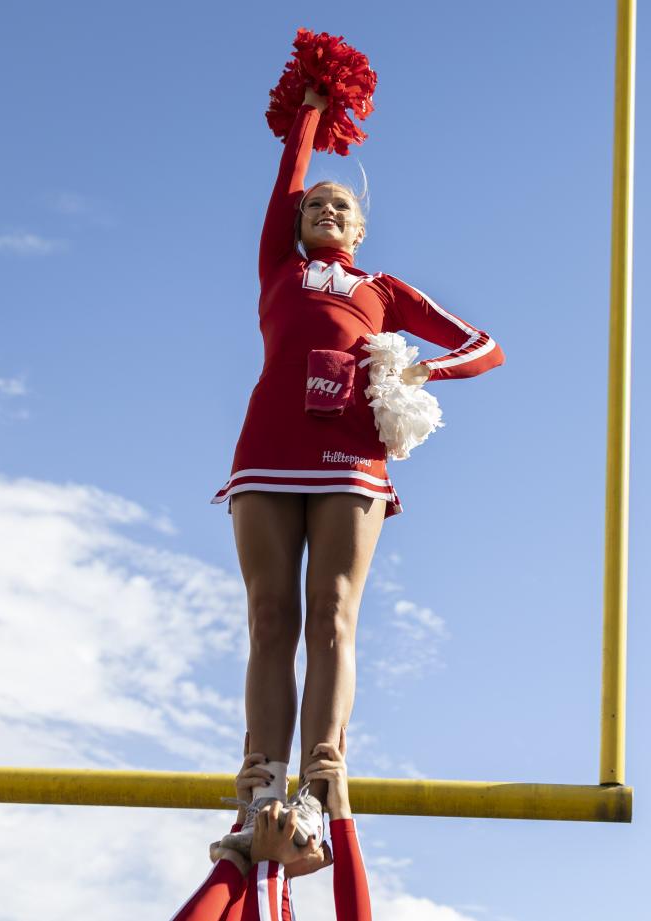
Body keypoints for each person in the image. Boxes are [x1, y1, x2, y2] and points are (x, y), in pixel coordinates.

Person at [211, 84, 504, 851]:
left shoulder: (381, 289)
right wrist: (309, 109)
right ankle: (259, 785)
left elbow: (483, 345)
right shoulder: (280, 267)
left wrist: (420, 376)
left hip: (350, 453)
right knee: (269, 615)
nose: (326, 211)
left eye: (341, 207)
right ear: (296, 224)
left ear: (362, 227)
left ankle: (317, 785)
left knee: (332, 612)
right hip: (269, 446)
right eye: (316, 206)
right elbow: (287, 179)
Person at [173, 739, 371, 920]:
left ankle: (269, 794)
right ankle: (283, 796)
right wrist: (341, 813)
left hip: (259, 881)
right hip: (263, 884)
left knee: (274, 760)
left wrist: (238, 858)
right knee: (322, 760)